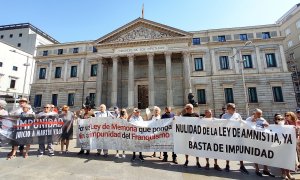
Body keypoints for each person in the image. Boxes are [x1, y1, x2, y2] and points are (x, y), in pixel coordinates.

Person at [245, 109, 275, 177]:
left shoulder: (262, 118)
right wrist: (252, 123)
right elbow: (245, 127)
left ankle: (266, 169)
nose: (260, 115)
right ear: (254, 114)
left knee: (265, 154)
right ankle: (257, 169)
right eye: (258, 114)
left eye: (261, 114)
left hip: (263, 139)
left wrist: (267, 124)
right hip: (254, 140)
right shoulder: (249, 119)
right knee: (256, 154)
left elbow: (267, 124)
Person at [221, 103, 249, 174]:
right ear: (228, 109)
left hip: (238, 136)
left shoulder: (238, 115)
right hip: (228, 136)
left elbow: (242, 124)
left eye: (234, 108)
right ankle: (227, 165)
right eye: (233, 108)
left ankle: (242, 166)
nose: (234, 109)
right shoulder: (224, 116)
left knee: (240, 151)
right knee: (228, 150)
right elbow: (221, 125)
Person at [182, 104, 201, 168]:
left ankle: (197, 161)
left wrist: (201, 119)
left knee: (196, 148)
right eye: (186, 108)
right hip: (187, 135)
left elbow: (200, 123)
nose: (186, 110)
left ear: (191, 108)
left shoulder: (196, 115)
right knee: (186, 148)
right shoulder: (184, 116)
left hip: (194, 135)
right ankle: (187, 160)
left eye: (187, 108)